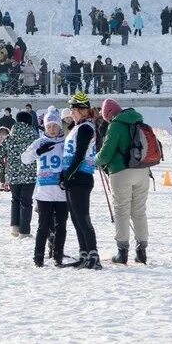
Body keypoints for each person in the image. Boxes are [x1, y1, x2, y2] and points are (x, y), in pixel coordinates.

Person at [96, 99, 150, 265]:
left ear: (109, 114)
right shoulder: (138, 121)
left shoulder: (115, 126)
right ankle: (142, 252)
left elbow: (106, 154)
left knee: (122, 211)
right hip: (143, 170)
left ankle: (122, 252)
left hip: (121, 172)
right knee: (139, 211)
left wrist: (96, 159)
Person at [21, 107, 68, 267]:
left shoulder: (65, 142)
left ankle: (58, 255)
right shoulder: (40, 142)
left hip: (61, 191)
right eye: (49, 126)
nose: (52, 129)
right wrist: (37, 152)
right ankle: (38, 257)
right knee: (43, 226)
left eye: (55, 126)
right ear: (45, 127)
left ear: (60, 126)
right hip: (44, 192)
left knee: (61, 226)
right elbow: (24, 158)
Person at [59, 92, 101, 270]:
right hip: (73, 176)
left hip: (81, 177)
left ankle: (93, 255)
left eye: (74, 109)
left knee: (83, 219)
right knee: (76, 219)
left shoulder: (85, 128)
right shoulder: (77, 127)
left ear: (82, 111)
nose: (71, 112)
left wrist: (69, 175)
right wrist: (65, 174)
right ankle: (84, 254)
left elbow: (80, 154)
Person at [0, 112, 39, 237]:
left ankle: (15, 228)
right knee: (26, 202)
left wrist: (3, 172)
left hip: (12, 176)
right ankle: (24, 231)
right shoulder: (34, 137)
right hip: (30, 175)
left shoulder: (9, 138)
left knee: (15, 200)